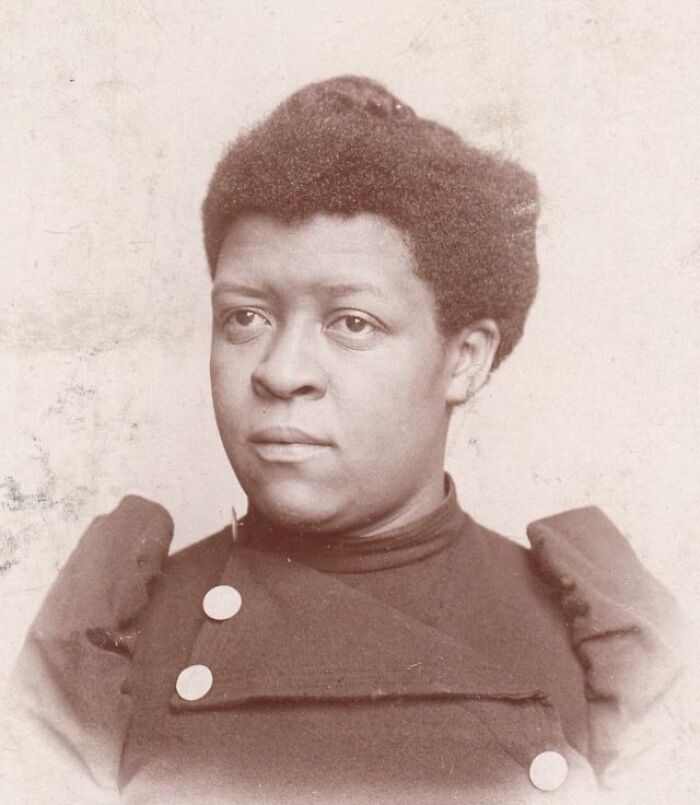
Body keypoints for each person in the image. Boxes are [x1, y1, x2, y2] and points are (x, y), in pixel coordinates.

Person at [10, 76, 682, 804]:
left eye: (351, 323)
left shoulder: (601, 647)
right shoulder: (113, 645)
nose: (281, 371)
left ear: (465, 359)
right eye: (246, 317)